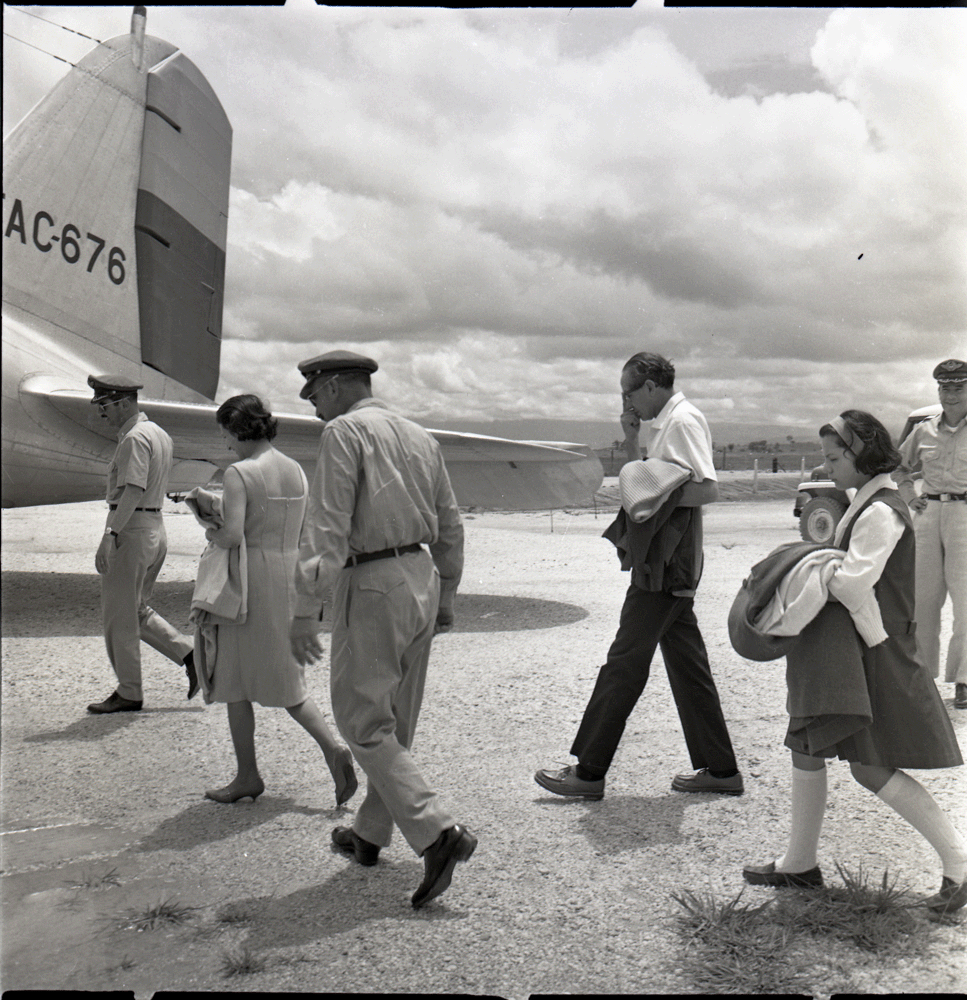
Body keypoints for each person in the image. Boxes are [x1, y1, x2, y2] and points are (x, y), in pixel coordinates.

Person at [743, 410, 966, 915]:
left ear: (862, 454)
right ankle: (799, 864)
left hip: (874, 651)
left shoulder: (881, 511)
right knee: (807, 742)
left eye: (834, 457)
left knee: (869, 766)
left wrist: (816, 564)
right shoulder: (866, 503)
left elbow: (851, 584)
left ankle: (960, 864)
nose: (827, 468)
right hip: (853, 648)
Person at [289, 351, 474, 909]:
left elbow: (327, 522)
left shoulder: (344, 433)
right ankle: (369, 835)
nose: (317, 409)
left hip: (371, 580)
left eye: (317, 394)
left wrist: (304, 607)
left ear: (341, 386)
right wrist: (448, 592)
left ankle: (438, 832)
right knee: (395, 718)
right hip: (421, 575)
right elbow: (450, 522)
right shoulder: (420, 436)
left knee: (362, 720)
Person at [535, 352, 743, 799]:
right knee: (688, 668)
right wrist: (632, 442)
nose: (626, 401)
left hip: (667, 564)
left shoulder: (683, 421)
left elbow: (707, 488)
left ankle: (588, 772)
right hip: (666, 560)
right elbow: (647, 479)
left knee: (624, 663)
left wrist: (651, 491)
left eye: (628, 392)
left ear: (650, 386)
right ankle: (722, 770)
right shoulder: (664, 424)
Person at [192, 395, 357, 807]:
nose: (226, 441)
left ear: (237, 429)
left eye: (226, 433)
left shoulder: (240, 473)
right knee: (287, 680)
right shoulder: (295, 470)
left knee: (233, 680)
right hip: (289, 574)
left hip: (251, 579)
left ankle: (247, 775)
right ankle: (332, 748)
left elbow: (232, 535)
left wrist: (207, 522)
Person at [86, 374, 196, 713]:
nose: (101, 412)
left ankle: (129, 692)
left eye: (104, 405)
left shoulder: (134, 438)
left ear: (122, 402)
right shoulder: (158, 433)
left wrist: (110, 535)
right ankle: (191, 656)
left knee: (118, 616)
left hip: (131, 530)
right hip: (153, 526)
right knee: (135, 610)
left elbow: (132, 489)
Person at [895, 359, 967, 710]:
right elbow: (899, 467)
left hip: (965, 517)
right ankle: (921, 675)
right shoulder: (923, 431)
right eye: (945, 388)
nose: (951, 395)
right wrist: (910, 497)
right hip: (929, 513)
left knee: (966, 602)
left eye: (958, 387)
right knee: (923, 600)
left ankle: (965, 680)